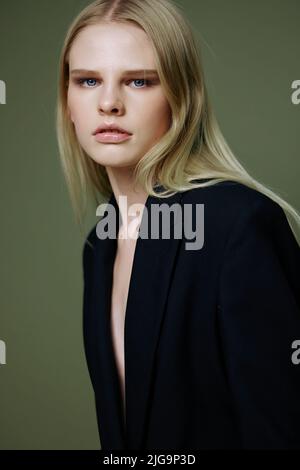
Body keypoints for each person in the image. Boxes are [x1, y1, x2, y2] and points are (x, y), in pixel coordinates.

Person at [56, 0, 300, 450]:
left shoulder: (239, 225)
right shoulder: (99, 245)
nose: (108, 103)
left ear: (181, 96)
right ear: (67, 102)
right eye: (87, 80)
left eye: (139, 81)